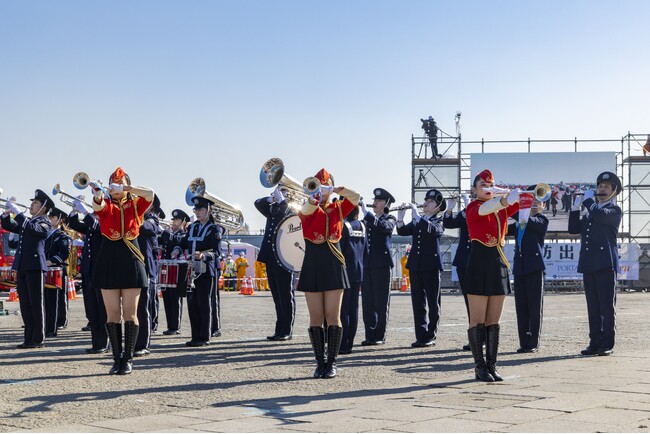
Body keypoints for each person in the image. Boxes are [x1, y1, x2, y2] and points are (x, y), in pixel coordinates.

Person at [92, 167, 154, 375]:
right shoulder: (106, 203)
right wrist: (98, 194)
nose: (116, 187)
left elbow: (150, 194)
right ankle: (116, 358)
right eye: (113, 183)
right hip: (108, 259)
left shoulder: (136, 203)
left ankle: (127, 358)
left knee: (130, 312)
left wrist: (128, 187)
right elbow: (98, 206)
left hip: (131, 259)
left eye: (119, 183)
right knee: (112, 313)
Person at [298, 168, 360, 378]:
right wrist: (315, 196)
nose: (321, 187)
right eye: (318, 183)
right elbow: (305, 212)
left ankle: (332, 362)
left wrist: (336, 189)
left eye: (324, 184)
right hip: (313, 263)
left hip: (334, 262)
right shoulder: (308, 206)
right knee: (316, 317)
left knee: (333, 315)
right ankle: (319, 362)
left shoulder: (339, 208)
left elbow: (356, 197)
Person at [465, 170, 520, 382]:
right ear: (474, 189)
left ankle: (492, 365)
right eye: (483, 185)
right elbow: (487, 208)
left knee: (493, 321)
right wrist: (505, 198)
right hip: (479, 263)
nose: (488, 188)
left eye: (491, 184)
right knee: (477, 320)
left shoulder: (500, 208)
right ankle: (479, 367)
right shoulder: (473, 207)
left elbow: (528, 203)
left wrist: (518, 193)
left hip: (498, 264)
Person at [569, 171, 622, 357]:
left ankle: (607, 343)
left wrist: (589, 202)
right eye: (600, 186)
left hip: (605, 264)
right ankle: (594, 342)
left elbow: (600, 215)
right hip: (589, 263)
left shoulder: (614, 210)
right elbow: (573, 229)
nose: (602, 189)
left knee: (607, 306)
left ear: (614, 191)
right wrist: (575, 208)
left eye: (606, 187)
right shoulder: (591, 213)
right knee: (592, 306)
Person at [1, 189, 54, 349]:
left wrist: (18, 212)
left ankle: (38, 338)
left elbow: (32, 229)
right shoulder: (29, 222)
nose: (31, 204)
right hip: (23, 266)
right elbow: (10, 225)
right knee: (25, 304)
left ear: (43, 208)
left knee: (36, 304)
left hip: (35, 267)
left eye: (35, 203)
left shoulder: (43, 222)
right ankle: (28, 338)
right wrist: (6, 213)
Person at [396, 190, 446, 348]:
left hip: (431, 266)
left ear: (437, 207)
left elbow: (434, 230)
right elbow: (403, 231)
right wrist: (400, 218)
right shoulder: (419, 220)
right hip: (416, 265)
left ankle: (430, 335)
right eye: (426, 200)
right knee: (418, 302)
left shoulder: (438, 220)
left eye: (430, 201)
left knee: (433, 302)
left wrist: (417, 217)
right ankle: (421, 335)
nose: (426, 203)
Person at [172, 196, 222, 347]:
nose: (198, 212)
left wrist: (204, 255)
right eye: (196, 210)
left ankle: (204, 336)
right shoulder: (192, 227)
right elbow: (183, 242)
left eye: (201, 209)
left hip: (206, 271)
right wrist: (176, 250)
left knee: (204, 303)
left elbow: (217, 252)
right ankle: (195, 336)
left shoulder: (214, 229)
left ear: (208, 211)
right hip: (191, 270)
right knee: (192, 303)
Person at [507, 189, 549, 353]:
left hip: (534, 267)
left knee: (534, 306)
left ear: (543, 206)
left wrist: (513, 204)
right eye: (532, 202)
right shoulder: (519, 223)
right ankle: (524, 341)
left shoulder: (542, 220)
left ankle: (533, 342)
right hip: (519, 267)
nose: (535, 205)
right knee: (521, 306)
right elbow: (501, 226)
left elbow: (526, 219)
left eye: (538, 203)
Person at [254, 186, 295, 341]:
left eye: (282, 193)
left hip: (284, 258)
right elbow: (258, 203)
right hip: (271, 257)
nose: (277, 195)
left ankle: (286, 330)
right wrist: (271, 199)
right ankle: (279, 329)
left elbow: (289, 216)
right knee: (277, 296)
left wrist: (283, 200)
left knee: (285, 295)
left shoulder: (291, 209)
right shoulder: (273, 209)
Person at [68, 198, 107, 353]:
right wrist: (74, 211)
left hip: (100, 271)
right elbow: (74, 225)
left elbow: (98, 226)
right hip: (88, 271)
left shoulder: (105, 224)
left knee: (102, 309)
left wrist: (85, 211)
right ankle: (96, 343)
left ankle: (104, 343)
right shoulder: (92, 225)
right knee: (91, 309)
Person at [360, 188, 396, 346]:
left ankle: (380, 335)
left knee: (381, 302)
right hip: (367, 264)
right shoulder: (368, 220)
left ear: (386, 203)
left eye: (379, 201)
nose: (375, 203)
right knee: (368, 302)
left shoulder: (390, 218)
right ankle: (370, 334)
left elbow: (384, 227)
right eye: (375, 200)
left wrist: (366, 213)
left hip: (382, 265)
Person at [133, 194, 163, 357]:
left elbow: (146, 227)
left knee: (143, 308)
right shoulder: (138, 217)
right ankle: (133, 341)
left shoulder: (152, 219)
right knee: (132, 308)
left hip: (146, 269)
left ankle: (143, 344)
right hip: (134, 267)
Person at [443, 194, 472, 351]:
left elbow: (475, 222)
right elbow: (449, 223)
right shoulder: (464, 212)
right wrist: (450, 209)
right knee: (468, 299)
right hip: (462, 260)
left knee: (477, 301)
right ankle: (474, 337)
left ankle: (481, 337)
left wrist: (469, 207)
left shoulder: (483, 208)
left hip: (476, 259)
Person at [338, 201, 366, 354]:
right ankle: (350, 344)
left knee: (343, 310)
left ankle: (342, 345)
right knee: (353, 309)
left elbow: (339, 251)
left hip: (345, 273)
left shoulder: (343, 225)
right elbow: (366, 251)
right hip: (358, 272)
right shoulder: (362, 226)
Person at [159, 208, 190, 335]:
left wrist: (167, 233)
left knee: (175, 297)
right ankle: (170, 325)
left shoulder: (183, 235)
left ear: (183, 222)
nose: (174, 222)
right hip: (166, 267)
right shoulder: (169, 233)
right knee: (167, 297)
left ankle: (175, 326)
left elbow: (180, 244)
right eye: (174, 219)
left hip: (177, 269)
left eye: (177, 220)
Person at [44, 207, 71, 337]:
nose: (50, 219)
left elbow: (65, 253)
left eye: (53, 217)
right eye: (49, 217)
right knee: (47, 298)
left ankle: (61, 320)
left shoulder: (62, 235)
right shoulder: (47, 233)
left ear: (60, 220)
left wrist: (52, 261)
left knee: (60, 298)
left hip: (58, 269)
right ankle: (48, 322)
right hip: (46, 270)